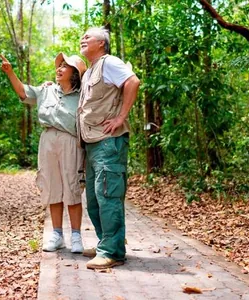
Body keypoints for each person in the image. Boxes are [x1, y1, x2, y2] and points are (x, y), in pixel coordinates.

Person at [0, 52, 87, 253]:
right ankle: (57, 235)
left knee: (72, 187)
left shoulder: (82, 96)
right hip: (48, 139)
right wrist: (10, 72)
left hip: (70, 141)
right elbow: (23, 92)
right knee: (52, 186)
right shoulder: (46, 90)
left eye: (65, 66)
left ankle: (76, 236)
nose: (59, 69)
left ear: (74, 73)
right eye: (59, 65)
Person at [77, 28, 141, 269]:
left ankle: (111, 251)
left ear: (102, 44)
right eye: (82, 37)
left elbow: (133, 82)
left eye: (88, 37)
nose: (83, 39)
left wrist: (120, 117)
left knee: (108, 196)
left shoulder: (109, 63)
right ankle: (108, 241)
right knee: (94, 200)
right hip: (92, 143)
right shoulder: (90, 71)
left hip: (108, 142)